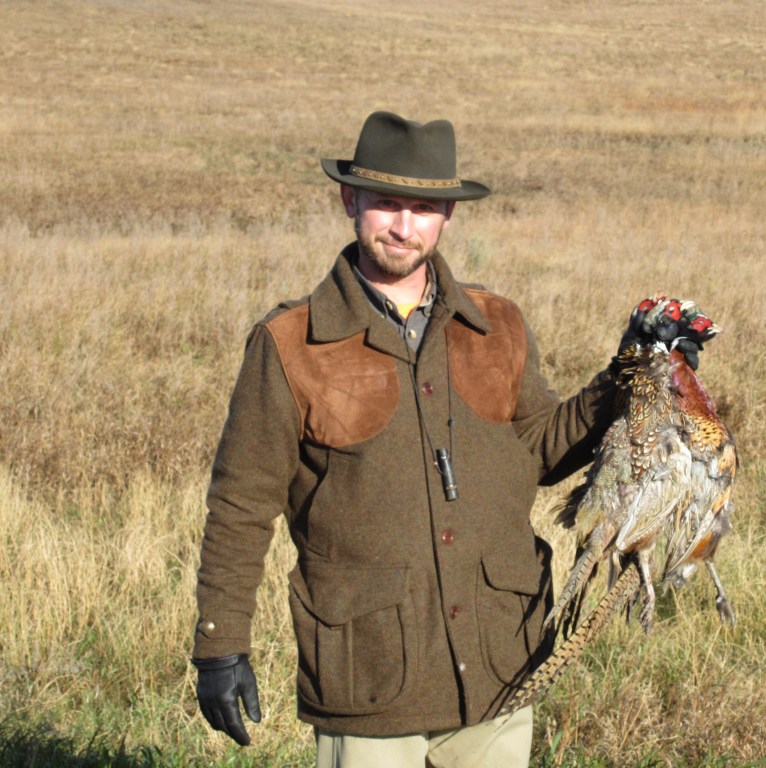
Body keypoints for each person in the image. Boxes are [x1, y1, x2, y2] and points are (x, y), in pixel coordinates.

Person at [190, 111, 697, 767]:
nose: (404, 226)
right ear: (350, 200)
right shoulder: (291, 343)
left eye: (424, 207)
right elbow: (241, 503)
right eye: (387, 204)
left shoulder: (497, 324)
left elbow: (543, 446)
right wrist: (218, 644)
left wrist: (632, 371)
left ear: (447, 217)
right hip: (369, 677)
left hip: (498, 664)